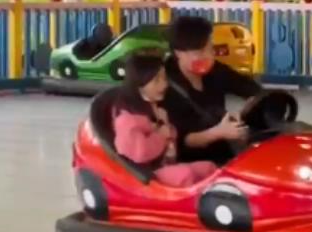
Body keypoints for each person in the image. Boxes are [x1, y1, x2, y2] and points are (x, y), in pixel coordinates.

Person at [161, 15, 261, 165]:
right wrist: (218, 133)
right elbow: (182, 140)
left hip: (224, 154)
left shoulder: (215, 70)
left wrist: (245, 113)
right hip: (190, 164)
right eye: (200, 51)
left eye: (210, 48)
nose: (208, 56)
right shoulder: (164, 84)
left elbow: (251, 89)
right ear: (178, 53)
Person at [112, 52, 218, 187]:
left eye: (164, 79)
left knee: (209, 167)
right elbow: (139, 153)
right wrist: (161, 135)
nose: (164, 85)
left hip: (164, 165)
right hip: (146, 176)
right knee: (185, 174)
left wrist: (169, 135)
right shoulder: (127, 120)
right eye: (157, 80)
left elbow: (169, 137)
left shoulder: (157, 110)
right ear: (139, 84)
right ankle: (195, 199)